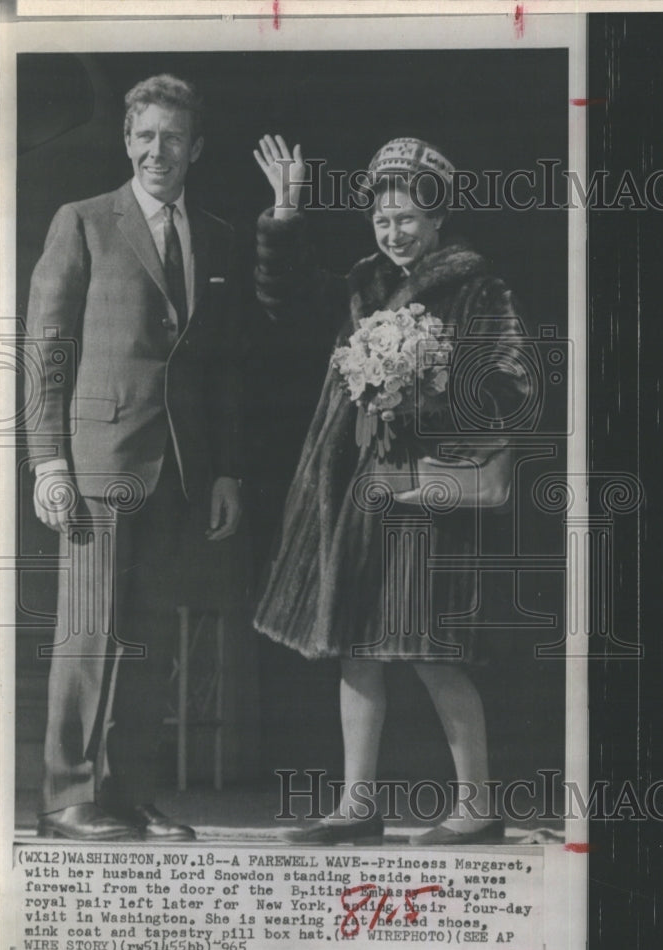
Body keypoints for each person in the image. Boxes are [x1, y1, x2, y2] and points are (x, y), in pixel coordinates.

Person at [252, 135, 531, 846]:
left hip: (424, 493)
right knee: (357, 646)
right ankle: (356, 807)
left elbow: (511, 387)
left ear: (437, 218)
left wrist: (429, 384)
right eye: (381, 220)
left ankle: (476, 807)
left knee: (431, 650)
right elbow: (286, 300)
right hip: (357, 490)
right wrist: (285, 211)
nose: (393, 232)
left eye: (406, 218)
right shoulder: (362, 283)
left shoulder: (480, 289)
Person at [26, 74, 243, 841]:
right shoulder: (83, 222)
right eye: (145, 135)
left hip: (178, 470)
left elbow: (219, 367)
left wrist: (223, 471)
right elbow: (47, 349)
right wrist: (48, 461)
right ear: (126, 140)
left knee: (149, 634)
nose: (158, 150)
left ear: (195, 148)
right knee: (88, 633)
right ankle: (67, 798)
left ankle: (129, 793)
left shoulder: (215, 235)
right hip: (96, 461)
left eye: (172, 137)